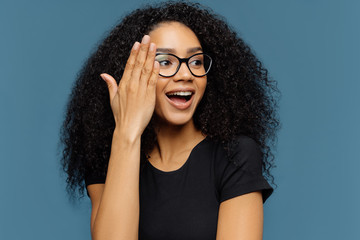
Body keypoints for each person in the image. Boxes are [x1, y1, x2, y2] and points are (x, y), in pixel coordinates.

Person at [60, 1, 279, 239]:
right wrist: (127, 131)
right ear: (132, 75)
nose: (186, 75)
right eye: (165, 62)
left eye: (196, 61)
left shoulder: (235, 156)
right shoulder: (108, 156)